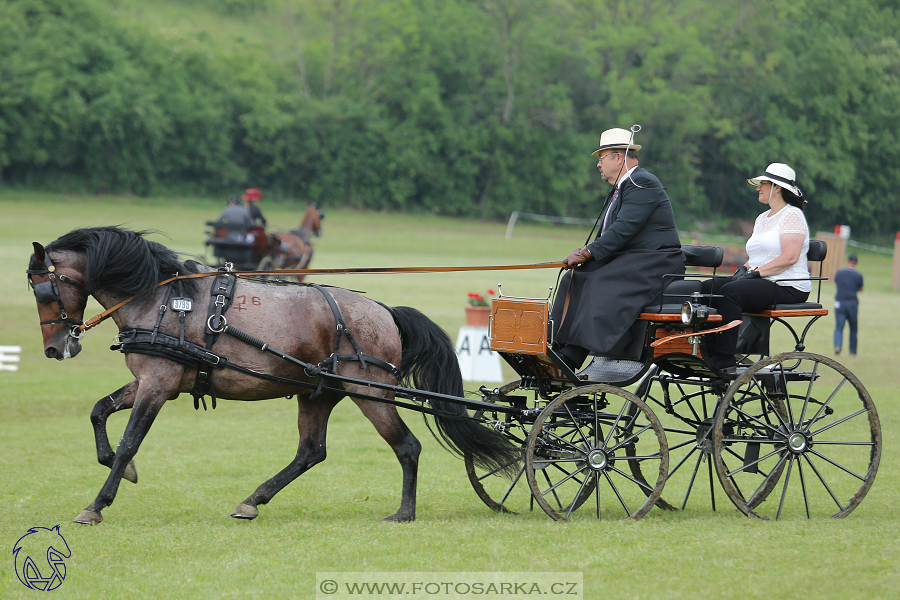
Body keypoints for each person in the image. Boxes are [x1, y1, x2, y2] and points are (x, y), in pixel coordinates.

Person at [550, 127, 684, 370]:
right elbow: (611, 234)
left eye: (601, 158)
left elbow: (623, 229)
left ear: (618, 157)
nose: (598, 165)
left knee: (598, 281)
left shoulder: (642, 182)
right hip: (633, 258)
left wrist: (587, 253)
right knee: (573, 277)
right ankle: (558, 344)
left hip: (656, 262)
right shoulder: (624, 187)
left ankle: (573, 356)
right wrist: (585, 257)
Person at [701, 163, 811, 373]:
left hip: (788, 284)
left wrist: (756, 273)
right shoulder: (762, 218)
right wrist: (744, 269)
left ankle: (724, 357)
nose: (758, 188)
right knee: (708, 287)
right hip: (761, 279)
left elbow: (790, 257)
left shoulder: (792, 215)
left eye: (763, 184)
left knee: (730, 293)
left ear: (777, 187)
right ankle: (709, 350)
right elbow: (758, 255)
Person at [833, 253, 863, 355]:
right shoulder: (858, 275)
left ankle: (838, 346)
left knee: (839, 327)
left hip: (840, 302)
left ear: (847, 261)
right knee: (853, 329)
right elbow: (861, 289)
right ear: (856, 263)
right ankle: (852, 351)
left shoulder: (839, 273)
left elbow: (837, 285)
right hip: (852, 303)